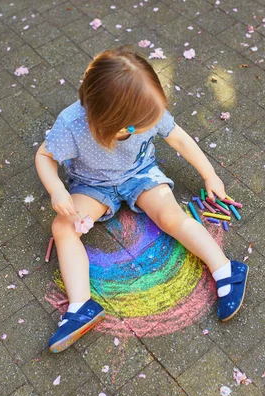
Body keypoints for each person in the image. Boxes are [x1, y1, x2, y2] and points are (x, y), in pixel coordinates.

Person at [35, 47, 248, 353]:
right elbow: (44, 155)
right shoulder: (72, 125)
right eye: (140, 126)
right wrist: (57, 190)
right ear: (111, 123)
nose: (153, 124)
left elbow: (178, 137)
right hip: (92, 185)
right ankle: (81, 305)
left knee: (170, 216)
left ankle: (226, 269)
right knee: (63, 228)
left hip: (141, 173)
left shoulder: (146, 107)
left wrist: (209, 174)